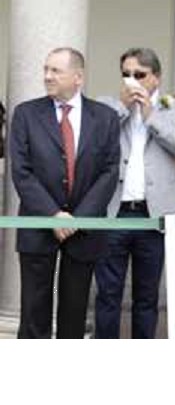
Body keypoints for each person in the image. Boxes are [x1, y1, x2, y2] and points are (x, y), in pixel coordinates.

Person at [10, 47, 120, 338]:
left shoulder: (106, 117)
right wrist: (53, 215)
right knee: (34, 313)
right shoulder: (26, 114)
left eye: (55, 71)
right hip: (37, 223)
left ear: (78, 77)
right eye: (46, 69)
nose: (47, 76)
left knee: (74, 313)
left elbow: (109, 172)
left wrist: (76, 219)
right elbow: (21, 172)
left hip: (83, 230)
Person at [94, 47, 175, 339]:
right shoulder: (108, 107)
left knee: (147, 295)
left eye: (139, 74)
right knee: (108, 293)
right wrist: (124, 109)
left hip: (156, 215)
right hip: (115, 210)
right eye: (126, 74)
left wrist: (152, 116)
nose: (132, 81)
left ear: (156, 78)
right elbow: (94, 142)